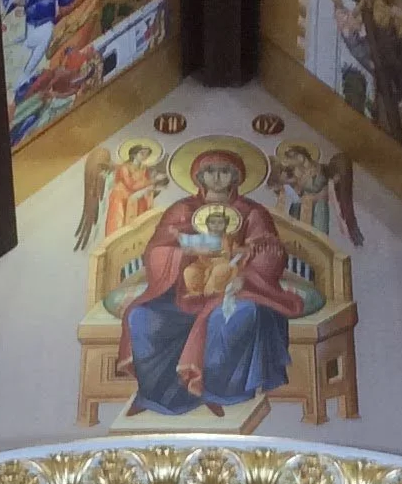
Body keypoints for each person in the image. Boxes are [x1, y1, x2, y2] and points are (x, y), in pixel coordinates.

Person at [120, 150, 302, 417]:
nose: (217, 177)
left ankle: (216, 392)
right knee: (141, 316)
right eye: (210, 171)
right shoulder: (181, 211)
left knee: (234, 317)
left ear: (237, 177)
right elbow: (157, 250)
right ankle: (155, 397)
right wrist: (186, 253)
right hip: (184, 292)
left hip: (235, 288)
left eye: (224, 171)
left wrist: (244, 275)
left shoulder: (252, 213)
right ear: (199, 176)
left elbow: (270, 251)